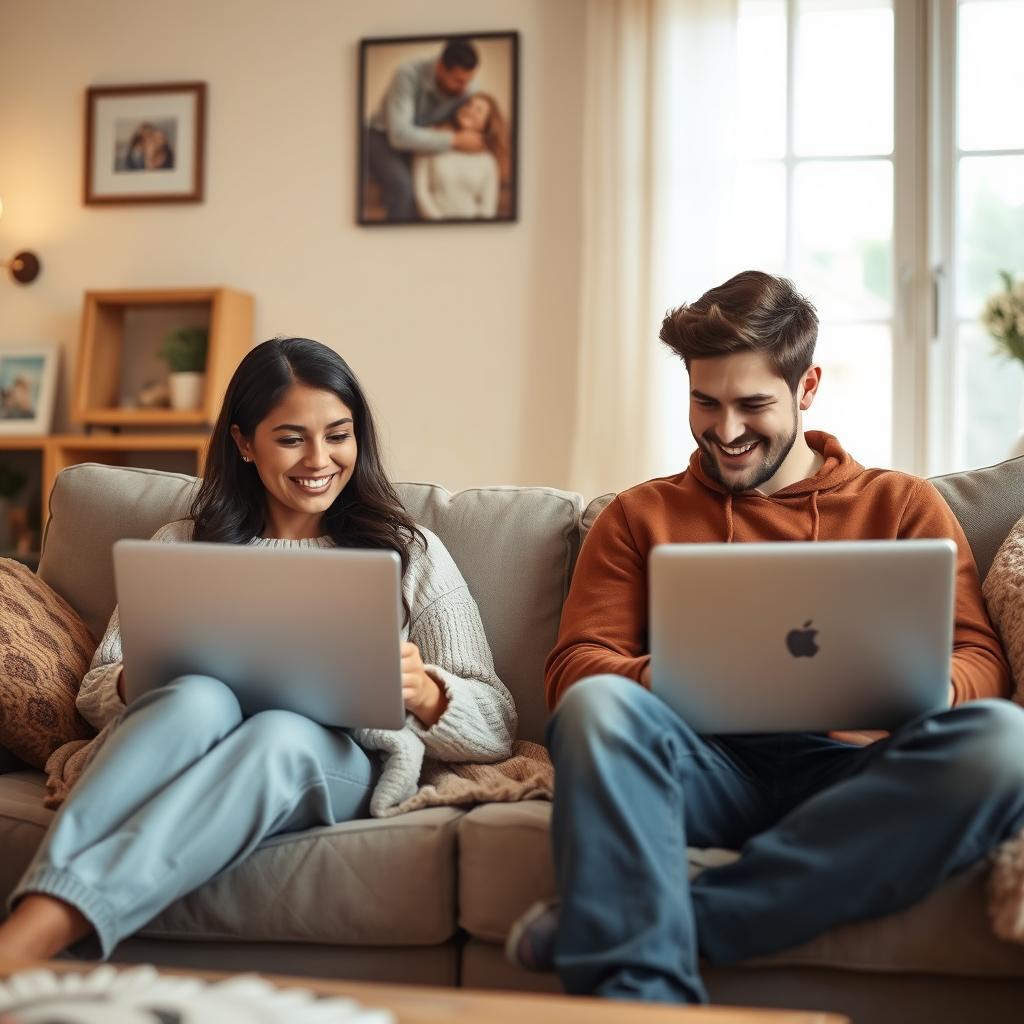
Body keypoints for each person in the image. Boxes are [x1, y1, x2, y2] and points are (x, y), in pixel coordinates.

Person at [506, 270, 1024, 1004]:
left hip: (859, 775)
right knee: (596, 713)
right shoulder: (635, 516)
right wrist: (691, 676)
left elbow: (979, 661)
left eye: (753, 405)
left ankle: (640, 932)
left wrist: (928, 690)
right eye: (704, 403)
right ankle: (646, 1008)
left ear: (806, 387)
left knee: (1005, 744)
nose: (726, 430)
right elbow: (575, 672)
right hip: (699, 772)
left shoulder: (902, 505)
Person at [0, 336, 516, 962]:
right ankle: (40, 925)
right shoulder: (181, 544)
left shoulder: (412, 553)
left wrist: (428, 693)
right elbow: (97, 691)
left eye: (339, 434)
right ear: (244, 442)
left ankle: (31, 934)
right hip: (188, 732)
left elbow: (496, 723)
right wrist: (141, 677)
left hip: (331, 757)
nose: (319, 458)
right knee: (195, 697)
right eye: (291, 437)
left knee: (278, 731)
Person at [366, 38, 486, 221]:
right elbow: (399, 135)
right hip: (383, 137)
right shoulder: (408, 74)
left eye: (468, 81)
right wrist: (455, 140)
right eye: (458, 81)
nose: (464, 89)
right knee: (403, 188)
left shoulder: (468, 88)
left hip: (426, 144)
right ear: (440, 68)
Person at [413, 93, 510, 220]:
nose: (470, 110)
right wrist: (440, 225)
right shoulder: (431, 143)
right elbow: (421, 191)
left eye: (478, 110)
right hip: (433, 229)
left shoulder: (487, 160)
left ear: (486, 123)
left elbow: (487, 208)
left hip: (473, 234)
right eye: (468, 104)